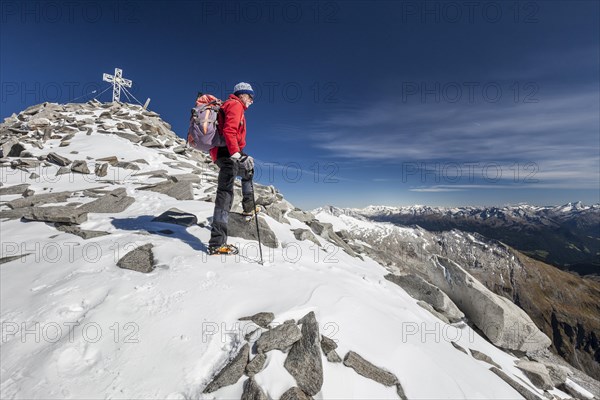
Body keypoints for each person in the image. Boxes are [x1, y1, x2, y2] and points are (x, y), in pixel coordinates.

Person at [208, 82, 258, 255]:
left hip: (226, 153)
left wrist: (240, 154)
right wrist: (237, 154)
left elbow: (231, 133)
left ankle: (248, 208)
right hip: (227, 154)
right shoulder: (235, 105)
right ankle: (217, 243)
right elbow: (229, 131)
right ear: (242, 94)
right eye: (250, 96)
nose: (252, 100)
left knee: (248, 171)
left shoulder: (234, 106)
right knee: (225, 194)